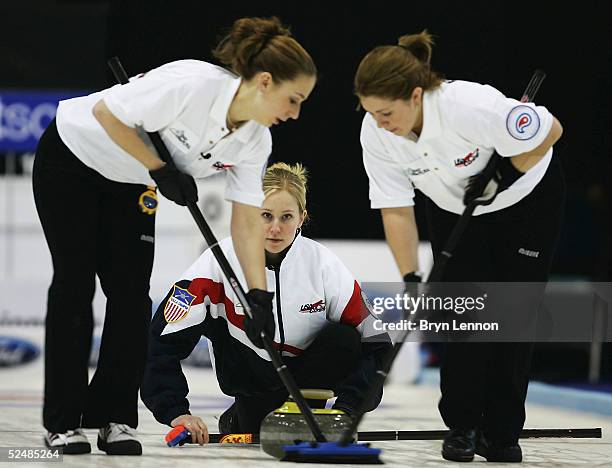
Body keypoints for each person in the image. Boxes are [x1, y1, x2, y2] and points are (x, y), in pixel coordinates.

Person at [32, 16, 316, 455]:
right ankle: (62, 423)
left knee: (130, 294)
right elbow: (106, 113)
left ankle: (114, 417)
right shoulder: (193, 84)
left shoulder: (255, 142)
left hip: (130, 181)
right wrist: (159, 167)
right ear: (264, 82)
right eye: (293, 99)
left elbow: (244, 222)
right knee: (75, 284)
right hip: (74, 158)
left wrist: (257, 296)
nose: (295, 113)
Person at [354, 31, 564, 463]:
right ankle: (463, 426)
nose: (379, 122)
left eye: (386, 112)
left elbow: (552, 128)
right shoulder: (377, 135)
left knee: (512, 317)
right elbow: (395, 208)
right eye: (371, 112)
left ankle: (502, 433)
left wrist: (503, 176)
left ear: (415, 95)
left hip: (526, 201)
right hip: (455, 207)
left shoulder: (468, 105)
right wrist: (412, 278)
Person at [141, 162, 392, 442]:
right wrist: (176, 410)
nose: (275, 228)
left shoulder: (325, 267)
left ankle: (311, 416)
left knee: (345, 337)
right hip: (254, 385)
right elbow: (161, 340)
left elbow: (378, 341)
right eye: (266, 216)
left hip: (309, 386)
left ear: (302, 217)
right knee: (259, 423)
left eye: (286, 217)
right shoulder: (216, 264)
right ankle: (238, 416)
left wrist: (348, 410)